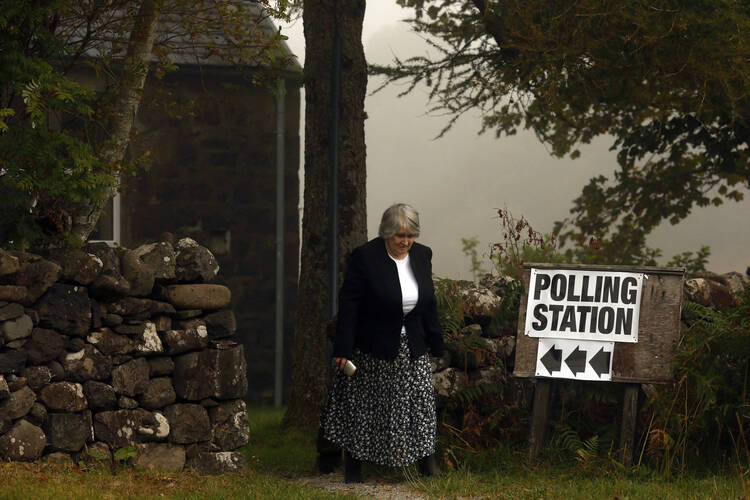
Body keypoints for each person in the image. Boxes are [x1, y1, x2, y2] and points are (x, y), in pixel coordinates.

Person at [321, 203, 445, 483]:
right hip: (374, 345)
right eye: (399, 235)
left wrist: (436, 342)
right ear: (386, 232)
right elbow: (349, 304)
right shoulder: (365, 257)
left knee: (421, 402)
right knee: (365, 406)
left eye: (410, 235)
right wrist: (343, 347)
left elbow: (429, 302)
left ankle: (427, 465)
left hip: (412, 344)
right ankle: (354, 469)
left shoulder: (423, 255)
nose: (405, 241)